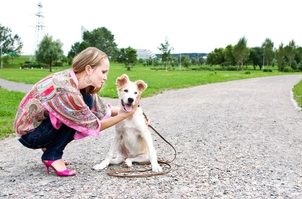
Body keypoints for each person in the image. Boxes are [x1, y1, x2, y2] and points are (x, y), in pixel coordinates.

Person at [14, 47, 139, 177]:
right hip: (32, 136)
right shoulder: (67, 90)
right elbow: (93, 125)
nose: (105, 77)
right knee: (78, 114)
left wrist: (134, 111)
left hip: (39, 130)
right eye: (103, 72)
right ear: (89, 69)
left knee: (86, 101)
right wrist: (125, 115)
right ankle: (53, 155)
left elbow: (103, 109)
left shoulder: (75, 82)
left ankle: (50, 148)